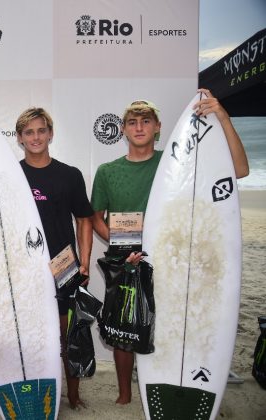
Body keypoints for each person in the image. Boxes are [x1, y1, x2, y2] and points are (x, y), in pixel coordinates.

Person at [90, 89, 249, 405]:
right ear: (122, 129)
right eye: (132, 122)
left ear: (158, 126)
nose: (139, 128)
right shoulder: (107, 171)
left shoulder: (178, 162)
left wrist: (223, 118)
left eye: (145, 121)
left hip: (171, 258)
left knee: (167, 321)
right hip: (125, 258)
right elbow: (96, 218)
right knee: (124, 328)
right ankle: (124, 395)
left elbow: (239, 169)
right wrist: (119, 243)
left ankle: (163, 379)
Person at [0, 107, 94, 408]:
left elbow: (84, 219)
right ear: (19, 138)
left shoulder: (69, 175)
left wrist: (84, 260)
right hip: (23, 269)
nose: (36, 137)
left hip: (62, 268)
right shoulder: (10, 175)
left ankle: (72, 395)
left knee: (65, 333)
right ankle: (29, 387)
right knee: (30, 332)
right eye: (29, 132)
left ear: (50, 133)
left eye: (41, 131)